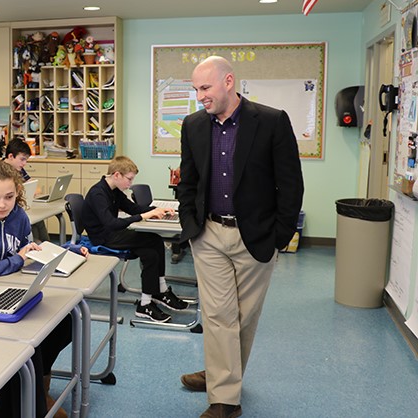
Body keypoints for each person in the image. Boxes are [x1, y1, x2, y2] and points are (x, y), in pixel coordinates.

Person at [177, 56, 304, 418]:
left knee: (243, 318)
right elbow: (188, 181)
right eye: (196, 89)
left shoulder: (271, 121)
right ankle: (225, 400)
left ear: (228, 81)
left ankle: (220, 374)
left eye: (205, 88)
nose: (200, 96)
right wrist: (191, 226)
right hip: (210, 233)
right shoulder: (193, 125)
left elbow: (291, 184)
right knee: (218, 315)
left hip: (257, 235)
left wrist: (281, 235)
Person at [0, 161, 87, 418]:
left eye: (9, 197)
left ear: (18, 193)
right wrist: (18, 259)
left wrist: (68, 250)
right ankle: (29, 400)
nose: (2, 204)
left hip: (12, 288)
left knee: (64, 323)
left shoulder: (19, 216)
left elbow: (31, 251)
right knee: (32, 336)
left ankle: (39, 390)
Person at [81, 155, 187, 323]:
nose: (130, 184)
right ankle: (159, 290)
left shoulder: (115, 191)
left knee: (151, 253)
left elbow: (133, 208)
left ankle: (146, 303)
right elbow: (111, 223)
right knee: (153, 240)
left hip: (114, 234)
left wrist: (159, 209)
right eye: (129, 179)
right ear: (117, 175)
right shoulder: (98, 193)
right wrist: (144, 216)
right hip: (103, 238)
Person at [2, 137, 50, 242]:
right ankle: (39, 245)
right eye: (22, 159)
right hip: (9, 212)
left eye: (26, 160)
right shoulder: (0, 171)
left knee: (39, 221)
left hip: (22, 207)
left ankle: (46, 245)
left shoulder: (18, 169)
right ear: (11, 156)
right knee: (33, 224)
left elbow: (35, 187)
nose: (24, 163)